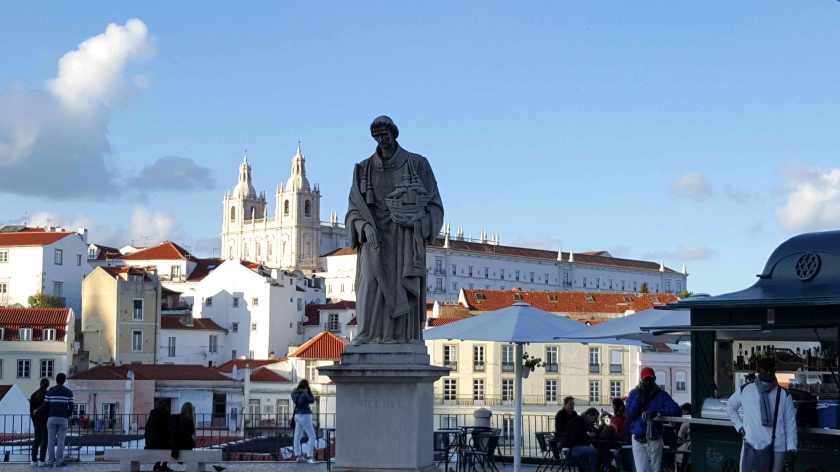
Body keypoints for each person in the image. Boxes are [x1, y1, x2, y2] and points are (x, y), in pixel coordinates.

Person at [346, 115, 445, 344]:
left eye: (386, 135)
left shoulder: (418, 164)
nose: (382, 140)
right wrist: (363, 227)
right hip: (373, 238)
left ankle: (403, 337)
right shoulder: (363, 169)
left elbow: (435, 207)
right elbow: (353, 211)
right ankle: (368, 334)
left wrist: (417, 223)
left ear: (394, 134)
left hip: (406, 239)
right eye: (377, 136)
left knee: (403, 284)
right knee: (369, 283)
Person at [727, 358, 797, 472]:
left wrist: (791, 448)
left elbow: (790, 424)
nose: (768, 373)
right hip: (757, 445)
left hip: (773, 447)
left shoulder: (783, 394)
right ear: (759, 371)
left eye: (770, 370)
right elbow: (790, 424)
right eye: (765, 370)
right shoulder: (746, 390)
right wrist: (739, 426)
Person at [626, 367, 681, 472]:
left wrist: (658, 412)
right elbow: (629, 414)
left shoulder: (661, 395)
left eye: (650, 379)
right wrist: (638, 400)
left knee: (654, 470)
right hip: (639, 439)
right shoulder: (635, 394)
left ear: (654, 379)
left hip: (654, 439)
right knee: (642, 470)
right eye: (645, 380)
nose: (647, 382)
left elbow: (676, 410)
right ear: (641, 380)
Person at [44, 373, 73, 468]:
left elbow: (46, 405)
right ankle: (59, 461)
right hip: (63, 418)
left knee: (50, 441)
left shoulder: (50, 391)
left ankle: (50, 461)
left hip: (51, 417)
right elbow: (71, 407)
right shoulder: (68, 392)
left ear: (56, 380)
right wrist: (67, 415)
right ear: (64, 381)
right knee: (61, 441)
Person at [562, 407, 600, 472]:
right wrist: (589, 436)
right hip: (572, 448)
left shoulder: (582, 420)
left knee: (591, 451)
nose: (594, 420)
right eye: (594, 418)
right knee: (593, 451)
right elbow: (578, 437)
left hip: (574, 447)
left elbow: (593, 430)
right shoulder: (579, 421)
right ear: (588, 415)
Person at [292, 380, 317, 463]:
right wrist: (307, 392)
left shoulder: (294, 392)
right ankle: (309, 456)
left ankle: (298, 456)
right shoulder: (304, 393)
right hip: (305, 415)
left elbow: (297, 401)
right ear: (306, 386)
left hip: (297, 415)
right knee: (312, 436)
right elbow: (312, 400)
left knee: (297, 436)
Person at [145, 400, 173, 471]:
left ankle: (158, 464)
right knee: (169, 446)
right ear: (165, 407)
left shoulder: (153, 413)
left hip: (151, 443)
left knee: (163, 444)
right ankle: (164, 465)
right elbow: (167, 429)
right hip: (160, 443)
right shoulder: (165, 414)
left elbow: (148, 428)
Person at [29, 378, 50, 466]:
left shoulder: (34, 395)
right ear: (47, 385)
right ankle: (42, 460)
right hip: (46, 420)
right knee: (44, 440)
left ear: (40, 384)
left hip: (36, 420)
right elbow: (48, 407)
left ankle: (34, 460)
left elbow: (31, 411)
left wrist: (34, 421)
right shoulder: (48, 394)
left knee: (36, 440)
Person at [675, 403, 692, 471]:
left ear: (686, 411)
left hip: (686, 450)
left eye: (682, 411)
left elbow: (679, 437)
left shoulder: (686, 421)